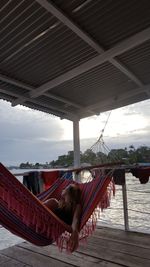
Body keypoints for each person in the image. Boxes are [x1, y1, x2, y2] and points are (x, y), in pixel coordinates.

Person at [43, 183, 82, 252]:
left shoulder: (76, 206)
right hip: (42, 223)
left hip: (49, 229)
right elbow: (39, 208)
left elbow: (76, 219)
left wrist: (75, 232)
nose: (63, 189)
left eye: (65, 189)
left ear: (68, 193)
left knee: (53, 201)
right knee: (53, 201)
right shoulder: (58, 204)